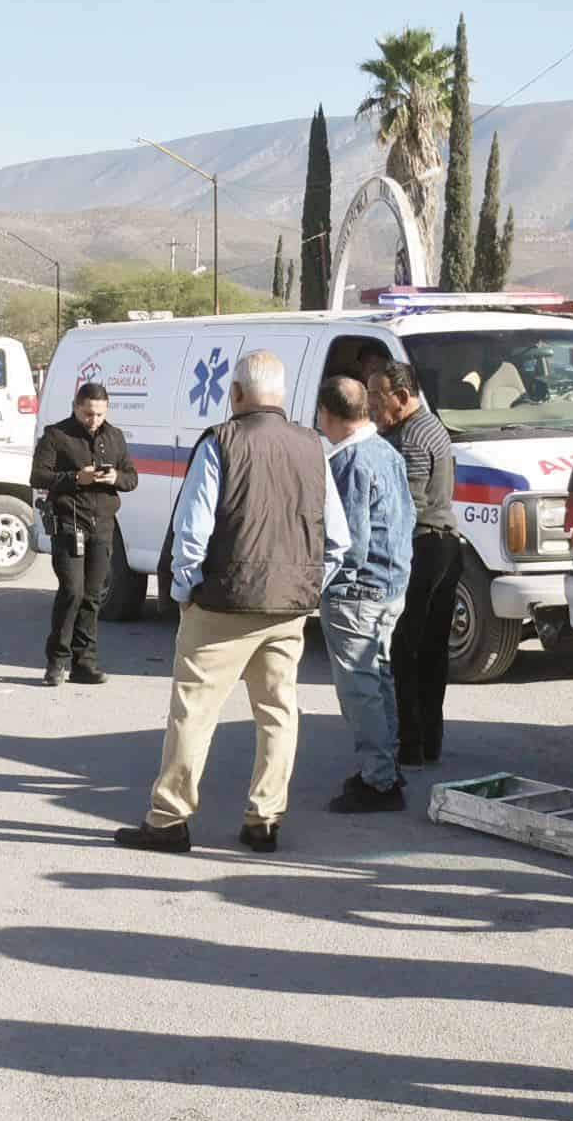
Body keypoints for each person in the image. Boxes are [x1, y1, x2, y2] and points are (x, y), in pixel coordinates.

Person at [123, 350, 349, 854]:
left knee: (194, 712)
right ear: (282, 396)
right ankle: (264, 818)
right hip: (288, 608)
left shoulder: (220, 442)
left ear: (237, 395)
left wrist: (184, 592)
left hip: (221, 604)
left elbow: (192, 533)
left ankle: (169, 819)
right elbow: (338, 539)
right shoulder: (314, 447)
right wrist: (309, 585)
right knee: (278, 713)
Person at [315, 373, 413, 813]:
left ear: (328, 414)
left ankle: (379, 780)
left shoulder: (350, 460)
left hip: (359, 590)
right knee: (380, 680)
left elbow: (347, 543)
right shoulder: (385, 450)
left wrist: (318, 585)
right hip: (390, 582)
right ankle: (387, 767)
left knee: (360, 690)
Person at [371, 363, 458, 768]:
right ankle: (428, 741)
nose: (371, 407)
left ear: (402, 397)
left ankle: (410, 744)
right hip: (443, 548)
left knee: (406, 650)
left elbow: (410, 505)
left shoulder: (410, 438)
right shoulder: (429, 427)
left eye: (378, 398)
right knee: (431, 652)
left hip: (422, 549)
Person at [30, 381, 137, 686]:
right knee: (72, 592)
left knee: (92, 597)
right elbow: (38, 475)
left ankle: (84, 662)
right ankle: (57, 661)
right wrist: (78, 477)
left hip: (102, 524)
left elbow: (132, 478)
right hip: (68, 522)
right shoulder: (57, 435)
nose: (94, 420)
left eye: (100, 414)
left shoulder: (114, 437)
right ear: (77, 407)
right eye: (89, 413)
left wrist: (115, 476)